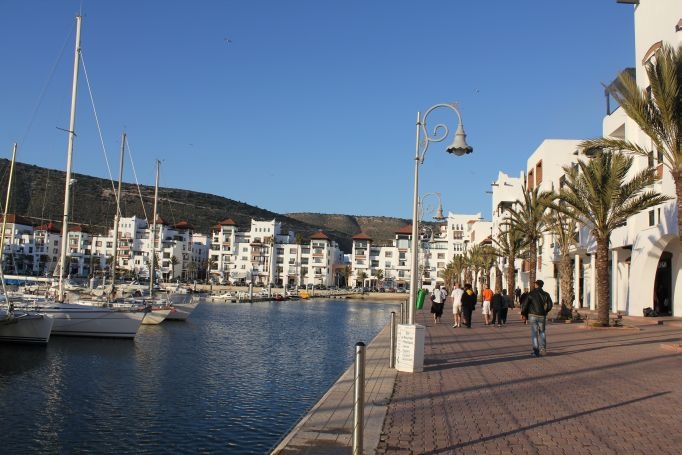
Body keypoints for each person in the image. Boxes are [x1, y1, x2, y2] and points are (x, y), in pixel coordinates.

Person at [521, 280, 554, 357]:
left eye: (535, 284)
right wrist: (545, 311)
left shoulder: (531, 294)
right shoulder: (546, 294)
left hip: (533, 315)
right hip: (542, 315)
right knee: (542, 332)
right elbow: (550, 305)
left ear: (536, 285)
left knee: (534, 333)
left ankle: (536, 351)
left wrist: (523, 314)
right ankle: (543, 349)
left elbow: (525, 305)